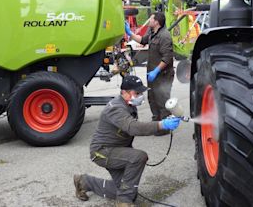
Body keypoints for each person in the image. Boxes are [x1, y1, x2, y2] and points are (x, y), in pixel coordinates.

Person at [73, 75, 181, 207]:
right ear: (124, 92)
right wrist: (161, 125)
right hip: (102, 152)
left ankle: (84, 182)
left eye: (141, 92)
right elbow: (133, 128)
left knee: (126, 190)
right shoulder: (115, 108)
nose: (140, 95)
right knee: (138, 157)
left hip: (115, 150)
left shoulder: (129, 105)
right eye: (137, 93)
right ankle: (124, 202)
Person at [125, 12, 175, 121]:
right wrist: (130, 33)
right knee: (152, 97)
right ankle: (156, 121)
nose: (149, 21)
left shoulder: (164, 36)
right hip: (153, 74)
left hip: (163, 75)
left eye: (151, 19)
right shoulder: (153, 33)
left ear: (156, 22)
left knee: (162, 99)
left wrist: (156, 71)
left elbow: (167, 57)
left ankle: (165, 125)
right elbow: (143, 40)